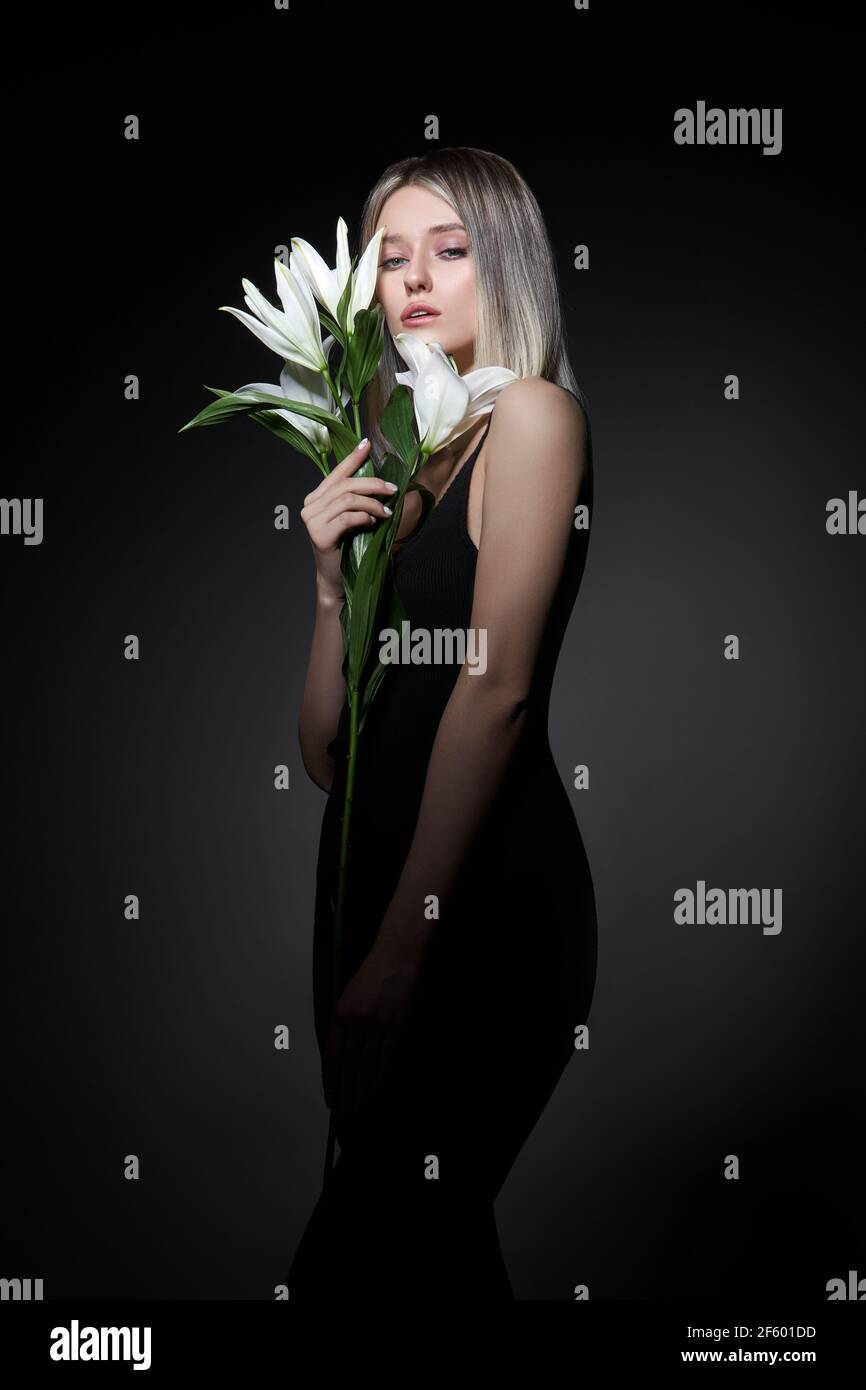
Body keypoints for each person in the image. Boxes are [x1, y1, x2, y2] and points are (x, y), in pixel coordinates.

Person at [290, 147, 597, 1300]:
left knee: (375, 1253)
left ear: (502, 266)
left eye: (450, 251)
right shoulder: (395, 461)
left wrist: (405, 947)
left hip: (476, 905)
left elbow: (495, 687)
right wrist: (328, 586)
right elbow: (327, 756)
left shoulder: (532, 415)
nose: (413, 278)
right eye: (391, 256)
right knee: (418, 1262)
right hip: (364, 891)